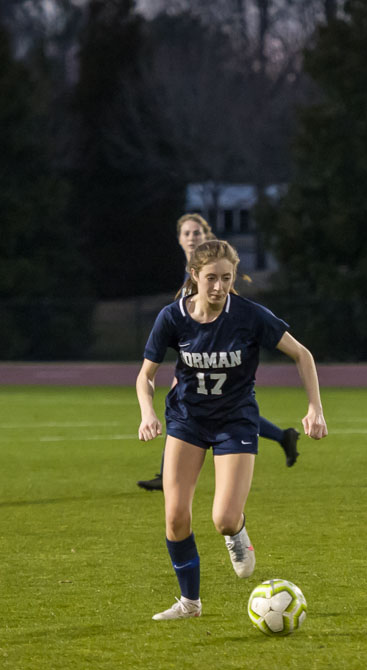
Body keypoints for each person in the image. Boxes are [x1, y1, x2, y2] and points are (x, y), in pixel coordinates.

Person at [136, 239, 327, 620]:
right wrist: (147, 413)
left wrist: (315, 408)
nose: (219, 287)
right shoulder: (172, 318)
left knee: (223, 518)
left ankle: (237, 533)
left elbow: (302, 354)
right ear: (195, 276)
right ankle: (190, 603)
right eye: (211, 278)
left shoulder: (249, 315)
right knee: (175, 518)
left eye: (226, 278)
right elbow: (146, 376)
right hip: (187, 420)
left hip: (235, 421)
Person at [136, 213, 299, 492]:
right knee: (188, 405)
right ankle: (170, 474)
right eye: (186, 233)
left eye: (196, 233)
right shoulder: (179, 299)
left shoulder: (215, 263)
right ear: (179, 238)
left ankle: (281, 437)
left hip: (217, 352)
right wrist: (147, 412)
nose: (191, 238)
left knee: (214, 402)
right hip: (195, 352)